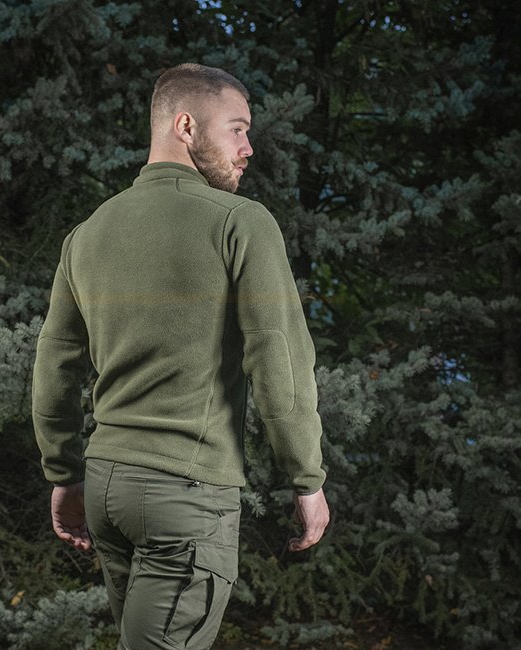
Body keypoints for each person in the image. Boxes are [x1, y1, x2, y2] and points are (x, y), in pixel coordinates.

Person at [32, 63, 329, 650]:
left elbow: (55, 366)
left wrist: (63, 474)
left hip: (108, 489)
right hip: (185, 498)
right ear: (186, 126)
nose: (248, 149)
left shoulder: (87, 234)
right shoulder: (240, 223)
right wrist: (307, 480)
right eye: (237, 129)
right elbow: (279, 360)